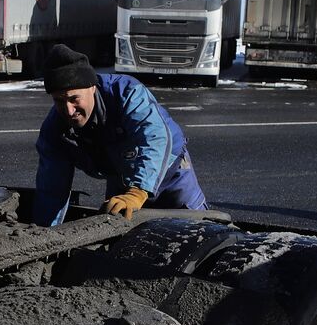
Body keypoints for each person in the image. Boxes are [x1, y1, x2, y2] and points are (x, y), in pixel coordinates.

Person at [33, 45, 207, 226]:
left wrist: (138, 191)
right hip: (122, 181)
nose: (69, 111)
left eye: (74, 98)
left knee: (199, 232)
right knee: (117, 234)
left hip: (172, 177)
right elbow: (51, 191)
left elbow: (154, 138)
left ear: (92, 87)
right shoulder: (54, 130)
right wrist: (44, 236)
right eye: (59, 101)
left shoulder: (128, 93)